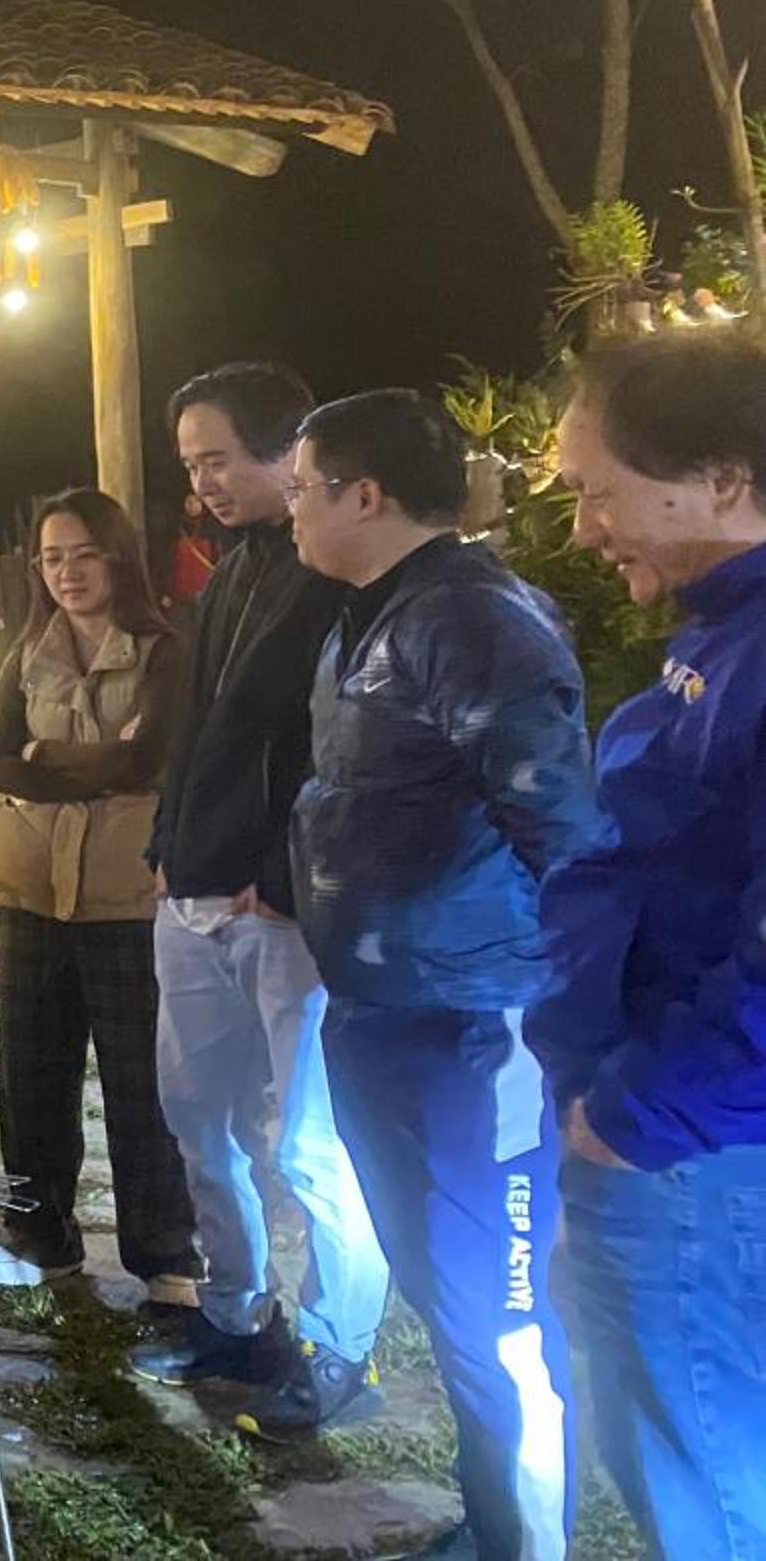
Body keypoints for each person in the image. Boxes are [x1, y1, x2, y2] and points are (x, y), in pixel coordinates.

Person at [287, 389, 612, 1561]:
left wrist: (572, 1027)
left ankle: (528, 1543)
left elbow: (565, 838)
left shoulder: (473, 621)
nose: (290, 509)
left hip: (475, 1029)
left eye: (303, 488)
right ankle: (493, 1521)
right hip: (384, 1013)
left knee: (499, 1313)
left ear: (365, 495)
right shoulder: (377, 617)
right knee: (446, 1294)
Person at [543, 333, 766, 1557]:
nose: (585, 528)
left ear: (721, 480)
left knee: (704, 1472)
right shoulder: (720, 635)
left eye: (599, 491)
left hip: (698, 1153)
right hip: (676, 1135)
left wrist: (636, 1117)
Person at [136, 363, 390, 1435]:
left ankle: (341, 1347)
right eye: (191, 464)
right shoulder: (231, 570)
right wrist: (167, 844)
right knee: (203, 1124)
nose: (203, 483)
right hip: (193, 897)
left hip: (282, 914)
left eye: (219, 460)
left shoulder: (338, 580)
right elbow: (202, 728)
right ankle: (237, 1316)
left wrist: (284, 882)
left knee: (314, 1146)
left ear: (290, 454)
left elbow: (342, 753)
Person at [0, 489, 202, 1312]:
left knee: (143, 1081)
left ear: (117, 557)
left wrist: (51, 756)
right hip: (31, 888)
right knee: (30, 1072)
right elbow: (0, 763)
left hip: (124, 895)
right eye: (52, 557)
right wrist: (97, 759)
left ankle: (165, 1257)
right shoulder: (27, 652)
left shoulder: (164, 651)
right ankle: (40, 1237)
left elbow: (150, 761)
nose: (66, 572)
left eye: (83, 554)